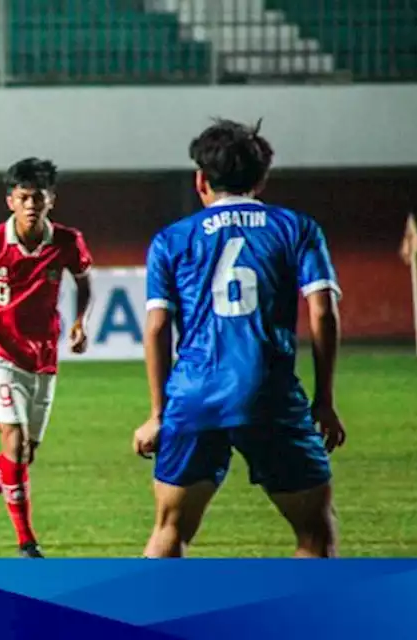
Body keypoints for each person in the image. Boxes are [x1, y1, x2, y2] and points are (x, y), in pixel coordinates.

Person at [132, 119, 346, 558]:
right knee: (314, 532)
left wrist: (158, 413)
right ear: (262, 178)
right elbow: (323, 313)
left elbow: (156, 328)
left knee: (170, 530)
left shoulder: (172, 239)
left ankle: (142, 621)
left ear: (200, 180)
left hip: (194, 396)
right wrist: (323, 399)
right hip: (268, 393)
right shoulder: (297, 229)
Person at [0, 158, 93, 558]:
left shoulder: (67, 241)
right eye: (24, 197)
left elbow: (84, 283)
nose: (31, 204)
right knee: (13, 442)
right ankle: (26, 542)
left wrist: (81, 320)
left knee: (23, 455)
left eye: (39, 197)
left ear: (52, 200)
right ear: (10, 200)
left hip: (42, 355)